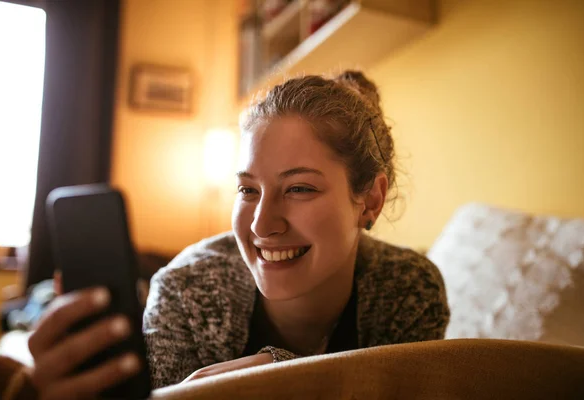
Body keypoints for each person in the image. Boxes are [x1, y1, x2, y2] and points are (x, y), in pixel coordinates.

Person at [26, 71, 450, 398]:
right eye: (248, 190)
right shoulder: (184, 291)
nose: (262, 225)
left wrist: (280, 368)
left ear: (371, 199)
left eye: (299, 188)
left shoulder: (408, 288)